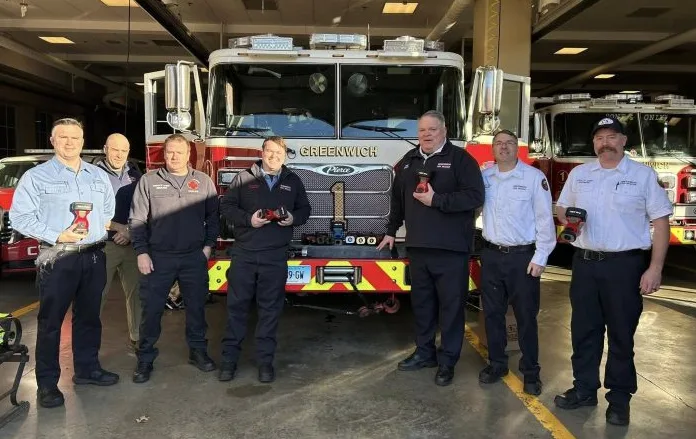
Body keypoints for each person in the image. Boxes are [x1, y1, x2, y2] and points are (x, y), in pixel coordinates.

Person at [553, 116, 672, 426]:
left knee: (621, 334)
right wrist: (569, 216)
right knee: (584, 331)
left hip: (624, 266)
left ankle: (619, 399)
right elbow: (561, 208)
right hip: (585, 264)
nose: (604, 143)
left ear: (623, 141)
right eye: (599, 138)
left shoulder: (642, 176)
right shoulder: (580, 174)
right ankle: (584, 389)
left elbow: (661, 223)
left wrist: (655, 268)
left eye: (611, 137)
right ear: (594, 143)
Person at [9, 118, 118, 408]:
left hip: (94, 255)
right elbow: (19, 217)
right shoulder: (36, 177)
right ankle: (47, 384)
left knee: (89, 317)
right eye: (63, 137)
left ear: (83, 142)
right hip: (58, 256)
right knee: (51, 322)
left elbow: (107, 211)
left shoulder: (98, 176)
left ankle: (87, 370)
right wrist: (57, 234)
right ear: (53, 141)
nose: (69, 142)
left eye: (75, 137)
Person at [377, 110, 485, 386]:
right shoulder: (409, 160)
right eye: (422, 130)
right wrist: (391, 230)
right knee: (423, 306)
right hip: (418, 247)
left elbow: (475, 197)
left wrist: (438, 200)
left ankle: (447, 361)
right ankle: (425, 353)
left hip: (451, 250)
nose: (426, 135)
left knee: (451, 308)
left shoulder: (461, 159)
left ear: (444, 131)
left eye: (432, 129)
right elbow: (398, 199)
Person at [219, 136, 310, 383]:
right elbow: (226, 207)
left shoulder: (293, 180)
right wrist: (249, 219)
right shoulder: (243, 178)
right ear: (262, 152)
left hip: (275, 255)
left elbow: (305, 210)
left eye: (278, 153)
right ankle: (228, 361)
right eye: (270, 151)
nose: (273, 156)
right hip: (244, 254)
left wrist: (292, 219)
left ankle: (265, 363)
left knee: (270, 311)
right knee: (237, 308)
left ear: (284, 155)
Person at [129, 133, 220, 383]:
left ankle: (198, 351)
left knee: (197, 308)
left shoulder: (203, 181)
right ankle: (145, 358)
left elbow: (213, 217)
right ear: (164, 153)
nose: (174, 156)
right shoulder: (148, 181)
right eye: (170, 152)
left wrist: (208, 247)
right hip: (159, 257)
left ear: (188, 154)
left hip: (193, 257)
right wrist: (142, 252)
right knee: (151, 310)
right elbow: (137, 220)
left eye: (179, 152)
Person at [477, 129, 556, 395]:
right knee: (493, 315)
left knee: (526, 318)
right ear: (493, 149)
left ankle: (531, 372)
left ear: (517, 148)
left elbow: (544, 219)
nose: (504, 147)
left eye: (509, 143)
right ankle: (497, 364)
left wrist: (541, 256)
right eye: (499, 143)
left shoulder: (534, 178)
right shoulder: (485, 177)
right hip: (491, 255)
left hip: (523, 258)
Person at [96, 133, 142, 348]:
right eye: (115, 149)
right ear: (105, 149)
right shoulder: (92, 175)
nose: (119, 155)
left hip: (132, 244)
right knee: (97, 295)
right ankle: (88, 343)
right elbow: (89, 211)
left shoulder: (136, 175)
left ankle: (137, 338)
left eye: (124, 150)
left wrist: (130, 231)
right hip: (104, 245)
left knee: (137, 294)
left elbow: (144, 207)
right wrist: (118, 227)